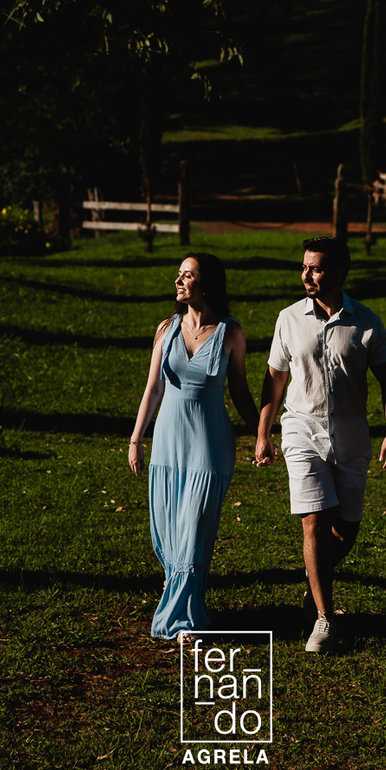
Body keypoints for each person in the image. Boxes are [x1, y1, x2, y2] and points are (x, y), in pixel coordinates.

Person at [254, 236, 386, 654]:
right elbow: (274, 381)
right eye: (304, 267)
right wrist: (264, 433)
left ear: (338, 273)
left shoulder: (367, 322)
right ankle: (324, 619)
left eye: (316, 268)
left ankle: (314, 578)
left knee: (346, 529)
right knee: (314, 522)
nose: (306, 275)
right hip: (302, 429)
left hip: (353, 436)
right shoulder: (288, 319)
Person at [128, 252, 261, 639]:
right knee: (169, 533)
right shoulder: (167, 328)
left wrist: (262, 434)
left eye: (188, 276)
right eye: (179, 275)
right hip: (168, 443)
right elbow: (153, 388)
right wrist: (137, 439)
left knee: (195, 529)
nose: (179, 281)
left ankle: (182, 619)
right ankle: (189, 607)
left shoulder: (230, 333)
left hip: (209, 445)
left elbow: (240, 391)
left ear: (208, 285)